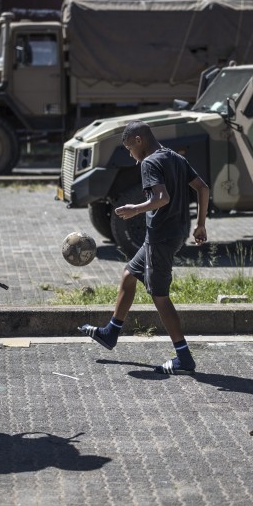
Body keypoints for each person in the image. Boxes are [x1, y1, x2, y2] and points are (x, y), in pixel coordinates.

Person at [79, 120, 209, 374]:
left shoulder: (150, 162)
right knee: (129, 275)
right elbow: (202, 188)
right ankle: (110, 333)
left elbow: (162, 198)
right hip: (172, 233)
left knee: (159, 295)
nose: (131, 155)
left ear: (139, 140)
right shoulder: (174, 157)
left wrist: (134, 209)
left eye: (129, 148)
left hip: (160, 237)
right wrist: (200, 224)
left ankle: (184, 357)